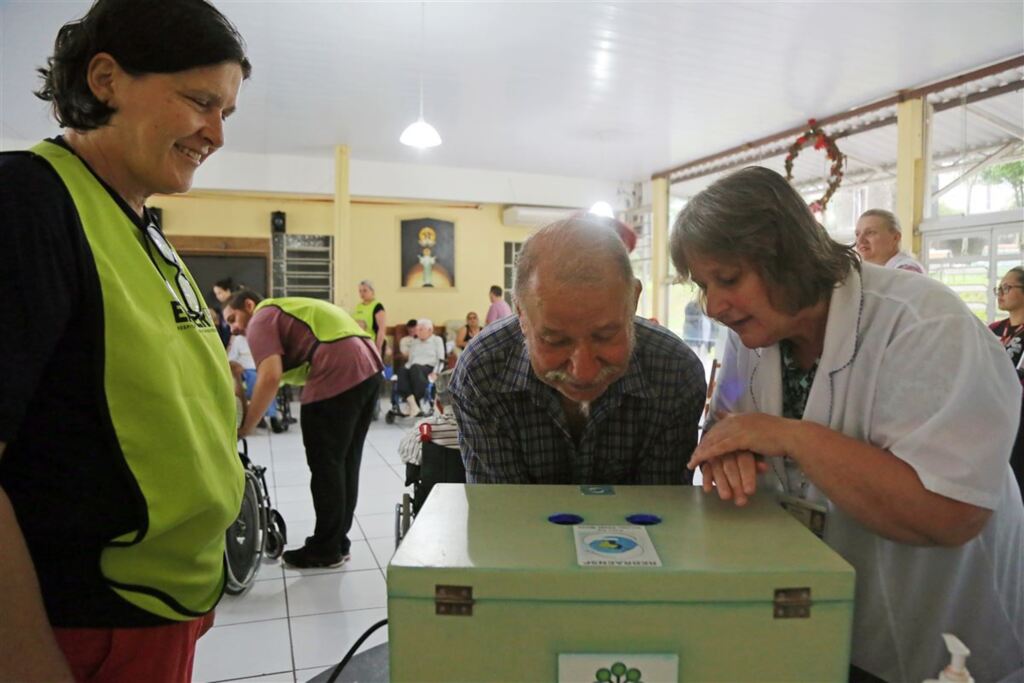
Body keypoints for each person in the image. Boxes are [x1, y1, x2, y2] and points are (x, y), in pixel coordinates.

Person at [674, 167, 1023, 683]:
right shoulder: (750, 336)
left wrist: (789, 435)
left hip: (944, 641)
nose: (715, 306)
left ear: (787, 255)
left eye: (728, 279)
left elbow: (952, 515)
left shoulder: (924, 326)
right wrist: (728, 450)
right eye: (705, 286)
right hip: (820, 626)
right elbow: (727, 422)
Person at [0, 1, 250, 679]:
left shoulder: (143, 225)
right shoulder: (29, 201)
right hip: (83, 623)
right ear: (105, 78)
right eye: (201, 101)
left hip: (163, 602)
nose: (216, 134)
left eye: (226, 112)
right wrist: (25, 659)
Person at [450, 215, 706, 484]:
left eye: (606, 336)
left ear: (633, 300)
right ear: (521, 316)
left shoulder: (674, 373)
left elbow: (661, 513)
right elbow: (504, 512)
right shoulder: (483, 373)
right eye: (555, 341)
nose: (583, 372)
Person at [223, 291, 382, 569]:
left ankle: (324, 549)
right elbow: (274, 377)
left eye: (233, 318)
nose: (233, 327)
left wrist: (246, 427)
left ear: (248, 305)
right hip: (368, 365)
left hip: (337, 366)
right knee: (345, 463)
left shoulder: (262, 316)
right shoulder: (288, 314)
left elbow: (270, 377)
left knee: (325, 465)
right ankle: (337, 542)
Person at [990, 266, 1024, 497]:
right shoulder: (994, 329)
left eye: (1007, 287)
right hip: (995, 411)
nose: (1000, 293)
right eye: (999, 288)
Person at [226, 332, 282, 433]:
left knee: (267, 381)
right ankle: (268, 416)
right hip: (246, 370)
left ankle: (269, 416)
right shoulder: (239, 340)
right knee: (258, 380)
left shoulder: (262, 336)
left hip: (262, 369)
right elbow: (231, 359)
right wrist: (238, 366)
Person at [397, 319, 447, 417]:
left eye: (421, 329)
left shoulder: (437, 340)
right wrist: (405, 370)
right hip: (413, 369)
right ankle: (413, 404)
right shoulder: (414, 342)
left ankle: (412, 404)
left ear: (430, 330)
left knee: (415, 368)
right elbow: (410, 361)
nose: (417, 332)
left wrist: (436, 372)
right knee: (402, 370)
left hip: (428, 369)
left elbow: (441, 359)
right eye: (417, 329)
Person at [854, 209, 925, 273]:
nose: (860, 240)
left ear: (895, 238)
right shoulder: (865, 272)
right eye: (857, 234)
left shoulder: (907, 270)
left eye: (870, 232)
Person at [353, 279, 387, 359]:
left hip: (374, 342)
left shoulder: (378, 306)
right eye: (360, 291)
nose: (362, 293)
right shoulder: (358, 306)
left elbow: (381, 329)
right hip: (362, 343)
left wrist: (378, 348)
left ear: (372, 291)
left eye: (365, 290)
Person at [211, 277, 236, 346]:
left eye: (219, 293)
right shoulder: (222, 309)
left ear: (227, 291)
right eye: (216, 294)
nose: (217, 296)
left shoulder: (235, 306)